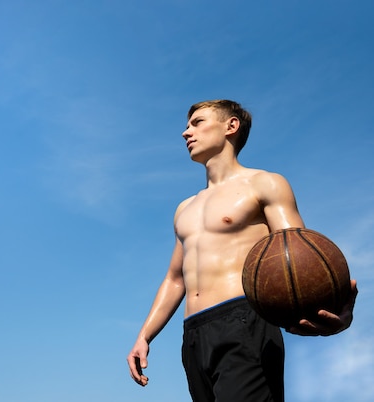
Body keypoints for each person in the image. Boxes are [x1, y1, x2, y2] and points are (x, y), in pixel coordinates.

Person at [126, 100, 358, 401]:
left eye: (197, 123)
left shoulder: (265, 184)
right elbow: (175, 279)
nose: (186, 133)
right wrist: (144, 336)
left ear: (230, 127)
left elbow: (300, 256)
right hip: (194, 333)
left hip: (245, 321)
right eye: (187, 125)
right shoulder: (184, 208)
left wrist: (337, 310)